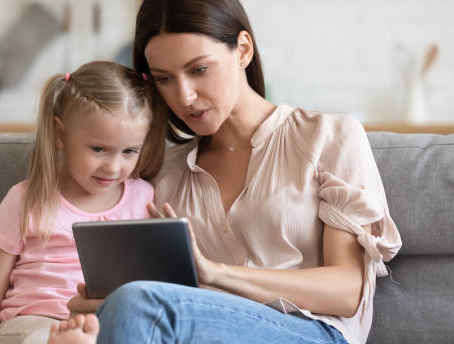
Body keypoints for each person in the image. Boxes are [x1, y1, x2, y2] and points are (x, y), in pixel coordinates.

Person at [49, 0, 403, 343]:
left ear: (243, 50)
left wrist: (216, 274)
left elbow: (347, 290)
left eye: (199, 69)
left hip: (312, 332)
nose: (184, 96)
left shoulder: (330, 137)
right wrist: (102, 306)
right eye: (164, 78)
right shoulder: (163, 175)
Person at [0, 61, 166, 344]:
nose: (113, 167)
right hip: (30, 326)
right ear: (60, 135)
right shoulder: (27, 197)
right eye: (98, 149)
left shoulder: (144, 198)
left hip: (103, 326)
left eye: (129, 151)